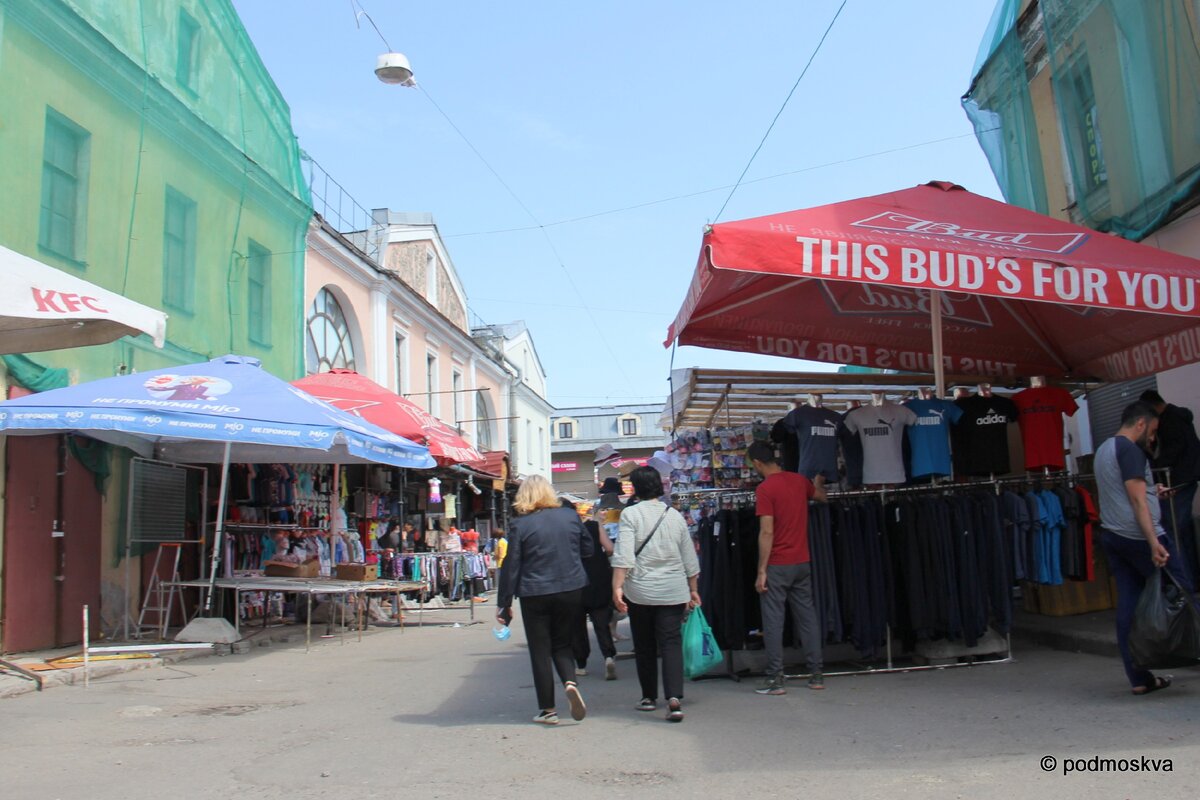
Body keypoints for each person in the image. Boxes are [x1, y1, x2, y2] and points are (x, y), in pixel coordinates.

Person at [1095, 401, 1194, 695]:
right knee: (1185, 592)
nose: (1152, 439)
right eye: (1151, 432)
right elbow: (1137, 501)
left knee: (1129, 602)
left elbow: (1129, 492)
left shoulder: (1104, 449)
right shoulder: (1129, 450)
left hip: (1113, 534)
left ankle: (1138, 678)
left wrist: (1154, 491)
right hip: (1140, 536)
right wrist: (1154, 542)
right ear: (1140, 424)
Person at [496, 475, 592, 725]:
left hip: (535, 591)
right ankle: (570, 681)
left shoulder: (521, 524)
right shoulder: (570, 517)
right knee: (562, 642)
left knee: (540, 649)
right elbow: (588, 549)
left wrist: (504, 602)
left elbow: (512, 564)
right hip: (571, 587)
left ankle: (548, 710)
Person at [611, 466, 700, 723]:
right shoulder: (674, 516)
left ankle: (649, 697)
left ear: (636, 488)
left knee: (645, 644)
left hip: (640, 591)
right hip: (673, 591)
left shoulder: (631, 515)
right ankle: (674, 698)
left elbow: (624, 556)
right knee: (671, 642)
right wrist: (693, 589)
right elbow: (689, 558)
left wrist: (617, 588)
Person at [747, 440, 828, 695]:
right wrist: (818, 484)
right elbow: (821, 498)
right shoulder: (798, 481)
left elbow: (767, 531)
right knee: (807, 618)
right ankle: (816, 674)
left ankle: (776, 678)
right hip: (802, 561)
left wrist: (761, 570)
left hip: (778, 564)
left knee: (773, 621)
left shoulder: (765, 489)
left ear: (758, 463)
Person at [1140, 389, 1200, 584]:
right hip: (1185, 479)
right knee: (1180, 528)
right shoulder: (1178, 418)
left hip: (1178, 480)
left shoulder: (1171, 420)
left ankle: (1185, 580)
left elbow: (1174, 450)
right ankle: (1189, 577)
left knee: (1174, 528)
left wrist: (1155, 466)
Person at [574, 511, 618, 680]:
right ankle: (608, 656)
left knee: (577, 625)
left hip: (575, 581)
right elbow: (609, 548)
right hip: (598, 578)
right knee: (601, 622)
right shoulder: (593, 525)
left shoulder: (564, 529)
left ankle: (581, 664)